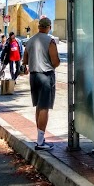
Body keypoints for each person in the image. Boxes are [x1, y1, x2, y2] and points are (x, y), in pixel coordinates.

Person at [22, 17, 60, 151]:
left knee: (38, 106)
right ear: (49, 27)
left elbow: (25, 60)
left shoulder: (30, 40)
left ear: (39, 27)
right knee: (44, 107)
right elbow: (55, 61)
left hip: (34, 76)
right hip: (46, 75)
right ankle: (40, 142)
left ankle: (40, 138)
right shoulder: (50, 41)